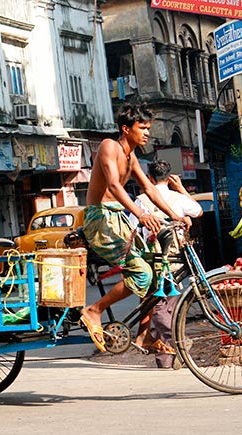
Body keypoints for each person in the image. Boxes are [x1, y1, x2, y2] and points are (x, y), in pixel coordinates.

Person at [79, 103, 182, 353]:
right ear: (126, 129)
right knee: (141, 274)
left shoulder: (131, 156)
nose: (147, 133)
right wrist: (141, 214)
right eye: (142, 128)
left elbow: (148, 188)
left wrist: (174, 214)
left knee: (156, 271)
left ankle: (143, 336)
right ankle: (94, 310)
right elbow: (114, 186)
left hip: (118, 219)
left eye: (148, 128)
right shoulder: (109, 146)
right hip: (99, 219)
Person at [128, 160, 203, 368]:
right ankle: (174, 347)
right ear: (169, 177)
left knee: (159, 304)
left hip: (151, 257)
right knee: (168, 305)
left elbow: (134, 228)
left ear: (149, 178)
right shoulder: (178, 197)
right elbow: (198, 212)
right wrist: (181, 189)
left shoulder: (142, 200)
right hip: (175, 257)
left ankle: (167, 357)